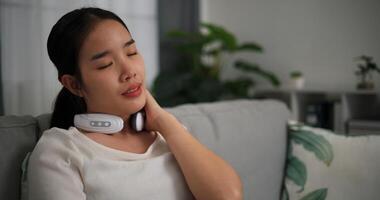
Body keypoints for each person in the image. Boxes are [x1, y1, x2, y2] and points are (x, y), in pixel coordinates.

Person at [26, 7, 243, 200]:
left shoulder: (169, 133)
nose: (130, 71)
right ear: (74, 84)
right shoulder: (61, 151)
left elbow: (228, 196)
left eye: (132, 52)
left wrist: (163, 121)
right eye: (105, 65)